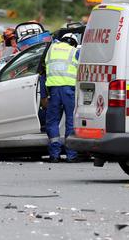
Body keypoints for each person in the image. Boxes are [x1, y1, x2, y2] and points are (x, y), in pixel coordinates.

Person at [44, 33, 80, 163]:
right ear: (73, 43)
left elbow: (43, 69)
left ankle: (54, 155)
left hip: (53, 90)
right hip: (69, 90)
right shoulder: (75, 51)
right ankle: (71, 155)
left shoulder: (51, 50)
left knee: (53, 121)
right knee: (71, 121)